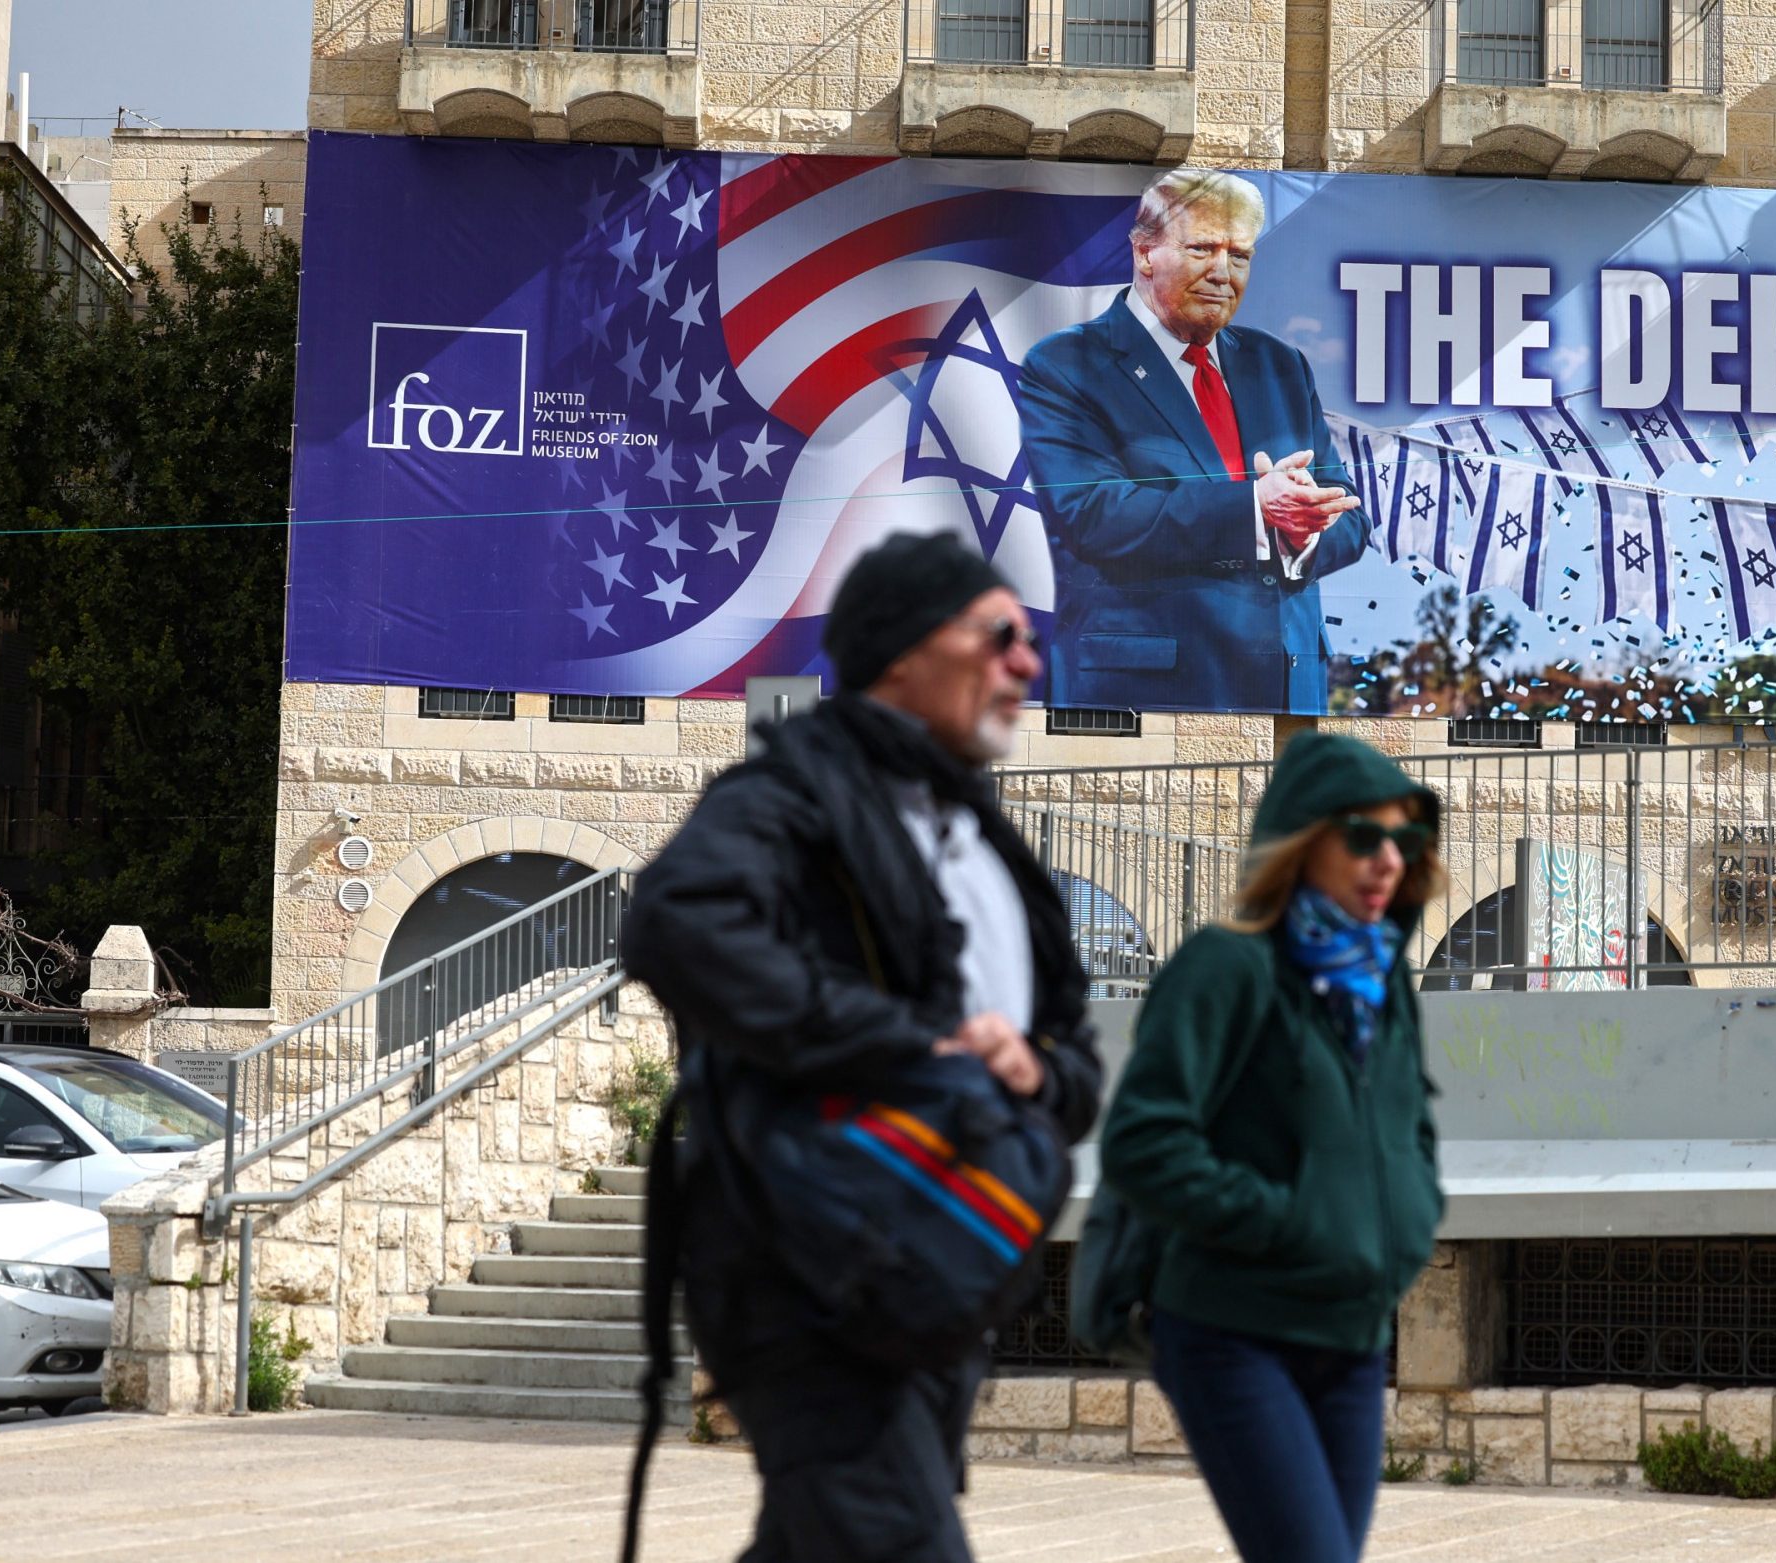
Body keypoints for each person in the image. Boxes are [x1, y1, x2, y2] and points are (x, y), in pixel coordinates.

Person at [620, 530, 1103, 1563]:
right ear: (903, 650)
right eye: (1001, 635)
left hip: (930, 1269)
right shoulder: (791, 796)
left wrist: (1036, 1073)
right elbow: (680, 923)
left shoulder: (986, 839)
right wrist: (912, 1044)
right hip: (801, 1271)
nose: (1029, 662)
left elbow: (1069, 1047)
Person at [1097, 733, 1446, 1563]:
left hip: (1353, 1337)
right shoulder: (1228, 966)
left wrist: (1411, 1222)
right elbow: (1142, 1139)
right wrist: (1285, 1222)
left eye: (1402, 838)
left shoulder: (1382, 976)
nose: (1386, 859)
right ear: (1301, 836)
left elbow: (1408, 1124)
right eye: (1362, 835)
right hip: (1233, 1330)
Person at [1018, 169, 1371, 716]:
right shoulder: (1068, 364)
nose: (1223, 274)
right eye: (1203, 249)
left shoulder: (1280, 366)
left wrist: (1302, 526)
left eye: (1241, 255)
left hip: (1287, 691)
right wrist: (1257, 506)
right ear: (1144, 254)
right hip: (1145, 697)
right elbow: (1091, 514)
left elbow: (1347, 514)